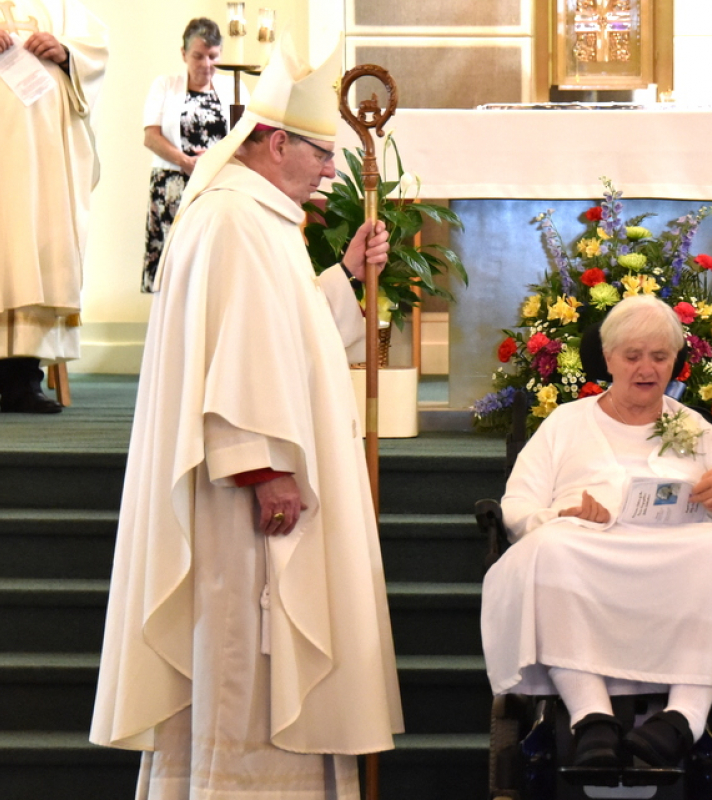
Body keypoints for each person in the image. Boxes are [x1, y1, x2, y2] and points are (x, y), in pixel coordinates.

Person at [90, 37, 404, 799]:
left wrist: (343, 279)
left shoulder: (256, 216)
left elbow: (279, 342)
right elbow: (232, 375)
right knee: (246, 655)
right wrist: (264, 470)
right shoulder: (234, 220)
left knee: (255, 657)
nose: (332, 169)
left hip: (257, 478)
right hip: (247, 501)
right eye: (322, 153)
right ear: (273, 141)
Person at [481, 295, 712, 768]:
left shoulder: (691, 427)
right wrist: (560, 516)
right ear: (609, 358)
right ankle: (591, 716)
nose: (646, 368)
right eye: (633, 356)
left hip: (674, 553)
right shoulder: (565, 423)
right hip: (586, 550)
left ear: (674, 362)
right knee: (550, 548)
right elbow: (516, 506)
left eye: (659, 357)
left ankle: (684, 718)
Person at [0, 0, 106, 413]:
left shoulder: (63, 5)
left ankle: (24, 379)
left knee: (38, 250)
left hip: (45, 153)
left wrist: (66, 52)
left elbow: (96, 49)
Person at [140, 17, 232, 292]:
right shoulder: (165, 86)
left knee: (210, 262)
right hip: (172, 186)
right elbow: (151, 136)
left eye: (213, 56)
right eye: (198, 56)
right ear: (184, 54)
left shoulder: (233, 88)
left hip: (215, 185)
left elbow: (245, 138)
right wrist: (187, 162)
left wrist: (213, 160)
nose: (206, 64)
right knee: (174, 266)